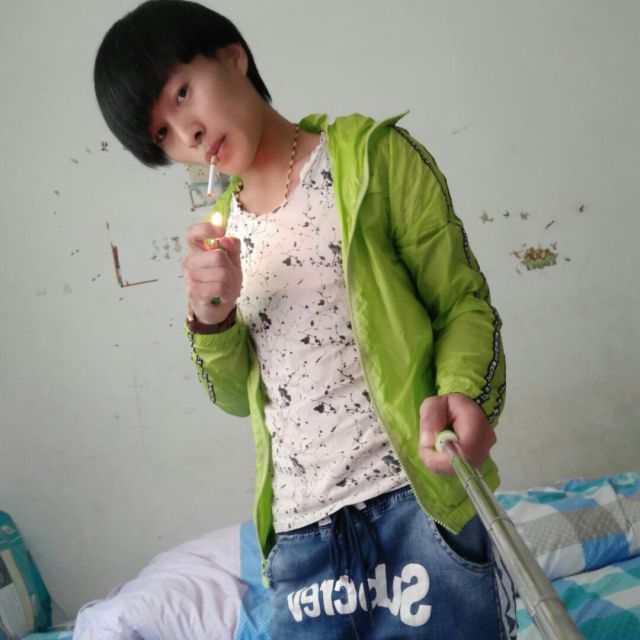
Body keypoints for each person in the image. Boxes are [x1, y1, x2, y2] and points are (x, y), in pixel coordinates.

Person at [94, 1, 515, 637]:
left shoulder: (372, 159)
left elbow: (462, 304)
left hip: (416, 508)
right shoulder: (220, 235)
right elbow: (233, 396)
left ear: (233, 57)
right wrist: (210, 317)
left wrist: (462, 393)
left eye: (183, 93)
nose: (190, 134)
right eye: (162, 134)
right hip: (302, 538)